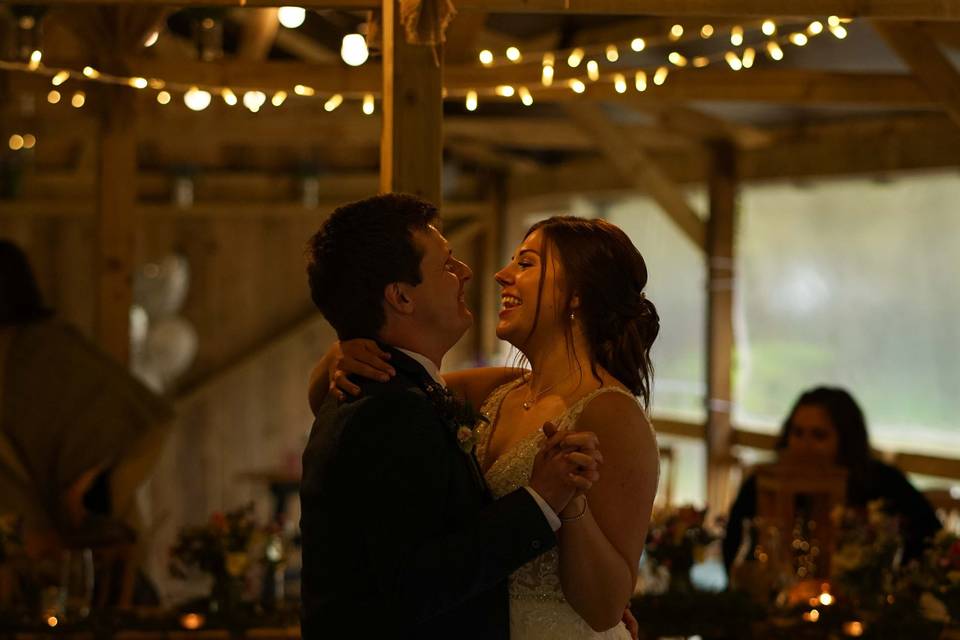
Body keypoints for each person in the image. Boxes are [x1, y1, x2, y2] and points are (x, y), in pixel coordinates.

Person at [312, 215, 661, 638]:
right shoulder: (497, 390)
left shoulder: (611, 414)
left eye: (527, 263)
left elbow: (606, 605)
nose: (501, 275)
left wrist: (567, 504)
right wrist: (344, 352)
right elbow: (376, 401)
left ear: (577, 294)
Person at [0, 240, 172, 599]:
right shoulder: (44, 351)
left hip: (78, 562)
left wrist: (90, 504)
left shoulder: (47, 354)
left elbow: (130, 427)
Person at [722, 386, 942, 571]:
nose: (804, 445)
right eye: (798, 433)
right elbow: (733, 547)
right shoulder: (765, 483)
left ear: (846, 440)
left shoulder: (883, 482)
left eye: (819, 435)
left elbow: (930, 542)